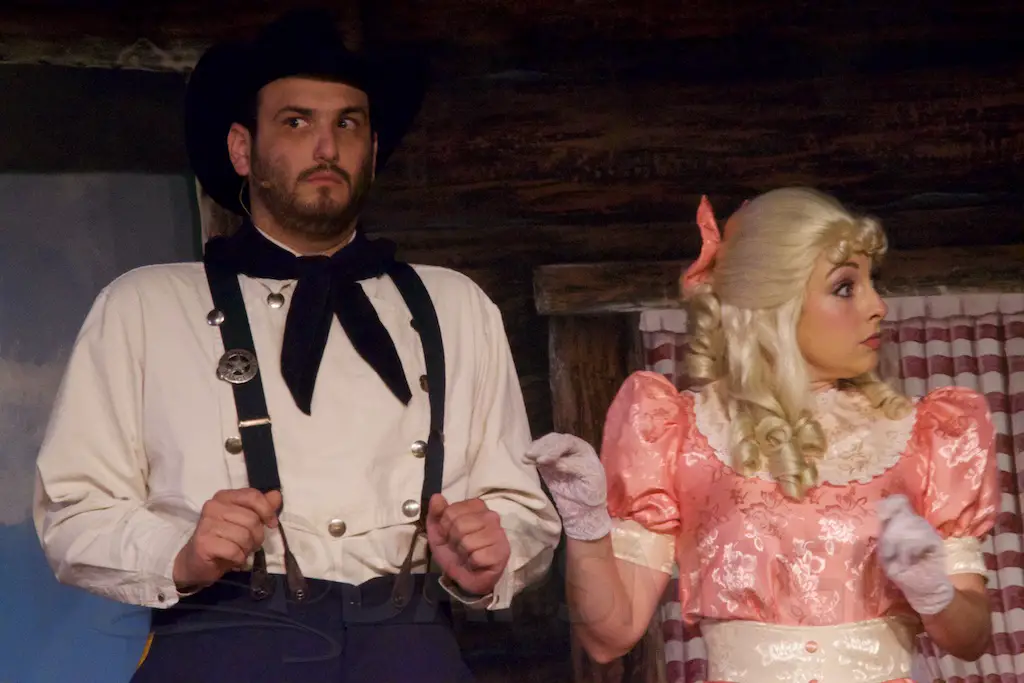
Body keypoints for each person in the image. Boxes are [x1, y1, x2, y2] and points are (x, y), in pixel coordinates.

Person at [33, 9, 560, 683]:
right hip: (222, 645)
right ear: (242, 149)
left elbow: (519, 507)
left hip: (409, 646)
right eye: (296, 122)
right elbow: (74, 509)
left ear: (373, 148)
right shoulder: (143, 305)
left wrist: (494, 552)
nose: (326, 147)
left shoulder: (457, 306)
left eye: (348, 123)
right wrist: (179, 552)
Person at [526, 187, 999, 682]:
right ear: (775, 305)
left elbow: (971, 640)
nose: (878, 305)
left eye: (871, 283)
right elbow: (610, 636)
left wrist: (934, 591)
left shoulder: (925, 436)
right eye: (845, 287)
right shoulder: (681, 432)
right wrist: (585, 522)